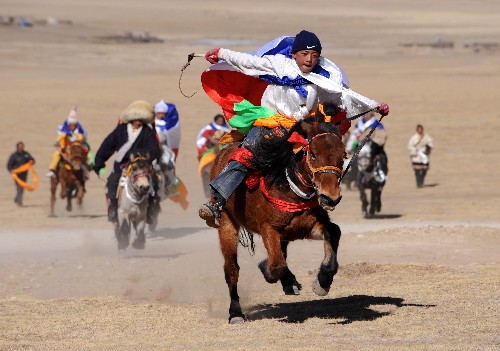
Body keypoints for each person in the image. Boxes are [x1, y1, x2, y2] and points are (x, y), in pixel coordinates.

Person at [199, 30, 390, 227]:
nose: (309, 60)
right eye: (305, 54)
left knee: (325, 155)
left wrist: (374, 106)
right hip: (272, 122)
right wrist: (221, 53)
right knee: (246, 154)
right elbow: (247, 61)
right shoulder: (279, 65)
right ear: (294, 54)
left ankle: (324, 198)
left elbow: (345, 96)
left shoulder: (325, 76)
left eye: (314, 56)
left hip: (303, 127)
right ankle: (217, 202)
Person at [93, 100, 161, 223]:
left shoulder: (147, 132)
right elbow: (108, 145)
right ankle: (114, 208)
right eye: (136, 119)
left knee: (154, 183)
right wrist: (99, 161)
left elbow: (155, 149)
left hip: (142, 165)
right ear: (131, 119)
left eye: (141, 119)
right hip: (122, 165)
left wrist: (141, 155)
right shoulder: (120, 130)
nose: (138, 122)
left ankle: (149, 211)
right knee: (112, 183)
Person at [46, 107, 89, 178]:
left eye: (73, 125)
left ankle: (86, 169)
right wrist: (57, 141)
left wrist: (75, 138)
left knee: (85, 155)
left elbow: (81, 138)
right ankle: (52, 170)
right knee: (56, 155)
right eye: (70, 125)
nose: (72, 126)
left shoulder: (79, 133)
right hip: (66, 148)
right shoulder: (65, 132)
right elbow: (60, 137)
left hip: (77, 147)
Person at [7, 142, 35, 207]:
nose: (21, 148)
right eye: (19, 147)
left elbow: (32, 160)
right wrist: (11, 170)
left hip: (24, 174)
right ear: (17, 147)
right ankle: (19, 203)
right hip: (16, 175)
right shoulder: (13, 156)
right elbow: (9, 165)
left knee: (22, 188)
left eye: (22, 146)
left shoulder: (26, 154)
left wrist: (31, 161)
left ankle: (17, 198)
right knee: (19, 188)